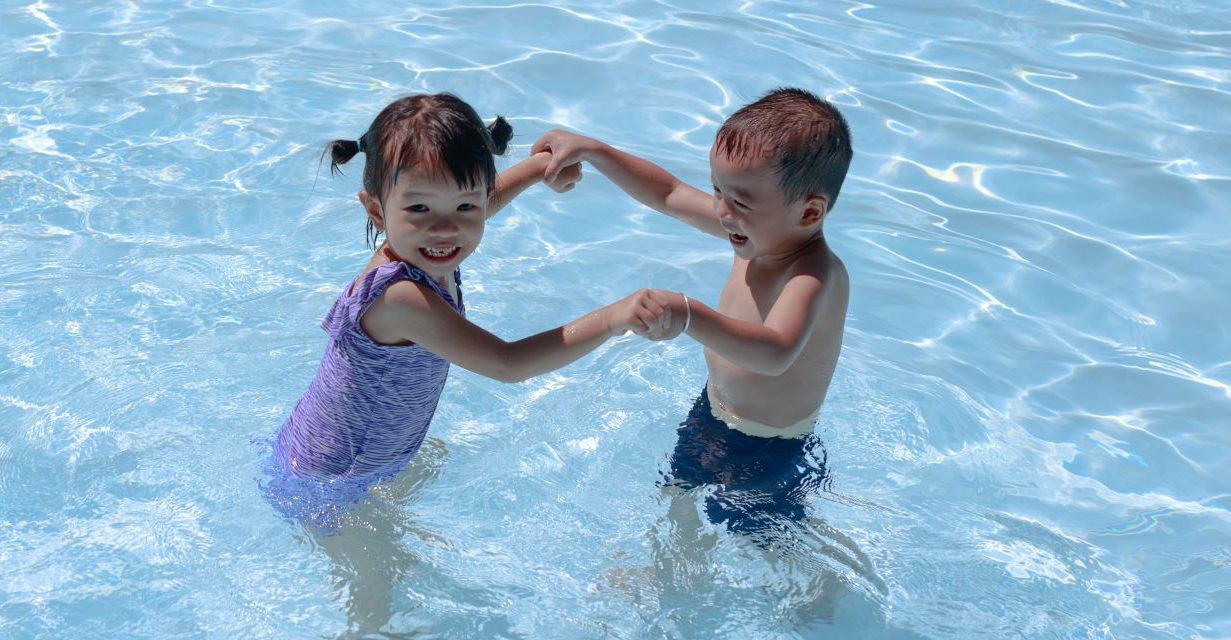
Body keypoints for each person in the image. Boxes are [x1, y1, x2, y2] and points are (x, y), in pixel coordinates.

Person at [264, 92, 677, 535]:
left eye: (465, 207)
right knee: (375, 594)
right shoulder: (401, 297)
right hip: (334, 483)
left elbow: (476, 206)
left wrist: (539, 170)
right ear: (376, 211)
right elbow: (507, 364)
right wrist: (614, 318)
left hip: (348, 451)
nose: (445, 227)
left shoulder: (423, 247)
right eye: (419, 208)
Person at [532, 87, 856, 557]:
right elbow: (667, 194)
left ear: (809, 212)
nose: (722, 212)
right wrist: (594, 151)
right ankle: (670, 575)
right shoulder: (756, 231)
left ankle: (814, 598)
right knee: (676, 498)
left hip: (768, 449)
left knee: (767, 545)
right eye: (718, 190)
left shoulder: (811, 276)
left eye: (739, 201)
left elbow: (775, 352)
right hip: (710, 415)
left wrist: (689, 314)